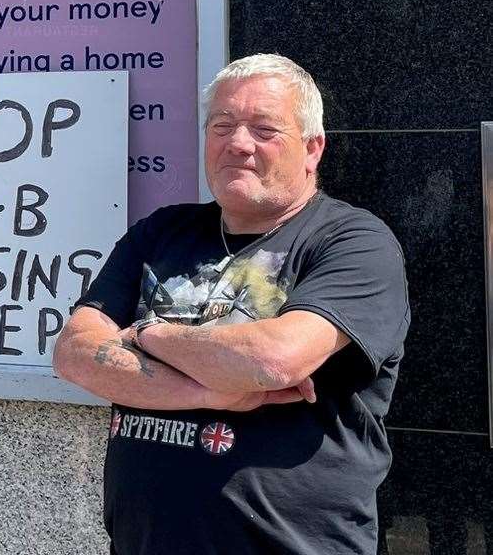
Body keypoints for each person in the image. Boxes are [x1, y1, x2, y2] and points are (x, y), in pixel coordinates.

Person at [54, 53, 409, 555]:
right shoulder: (162, 231)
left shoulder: (353, 242)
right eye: (222, 125)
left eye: (264, 130)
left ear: (312, 148)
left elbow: (274, 359)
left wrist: (143, 334)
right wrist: (211, 393)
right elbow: (74, 354)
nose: (238, 144)